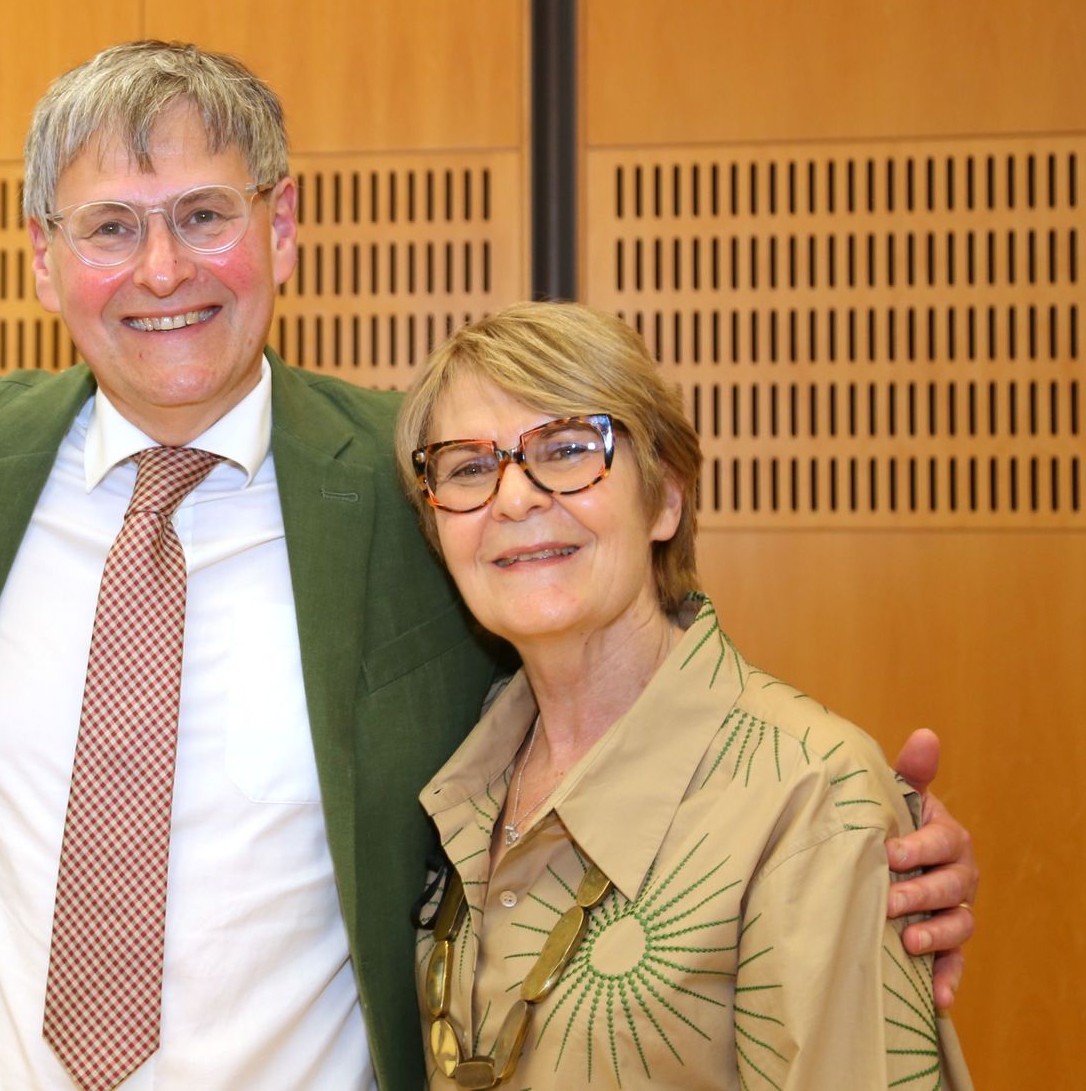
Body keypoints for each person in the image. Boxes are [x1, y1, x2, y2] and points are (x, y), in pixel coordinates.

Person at [0, 41, 975, 1091]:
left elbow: (612, 671)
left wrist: (846, 836)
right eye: (108, 226)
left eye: (203, 214)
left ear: (280, 230)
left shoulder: (424, 483)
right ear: (42, 260)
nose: (160, 269)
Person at [395, 302, 971, 1088]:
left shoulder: (809, 795)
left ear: (666, 496)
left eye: (567, 449)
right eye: (468, 467)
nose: (516, 497)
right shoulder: (460, 776)